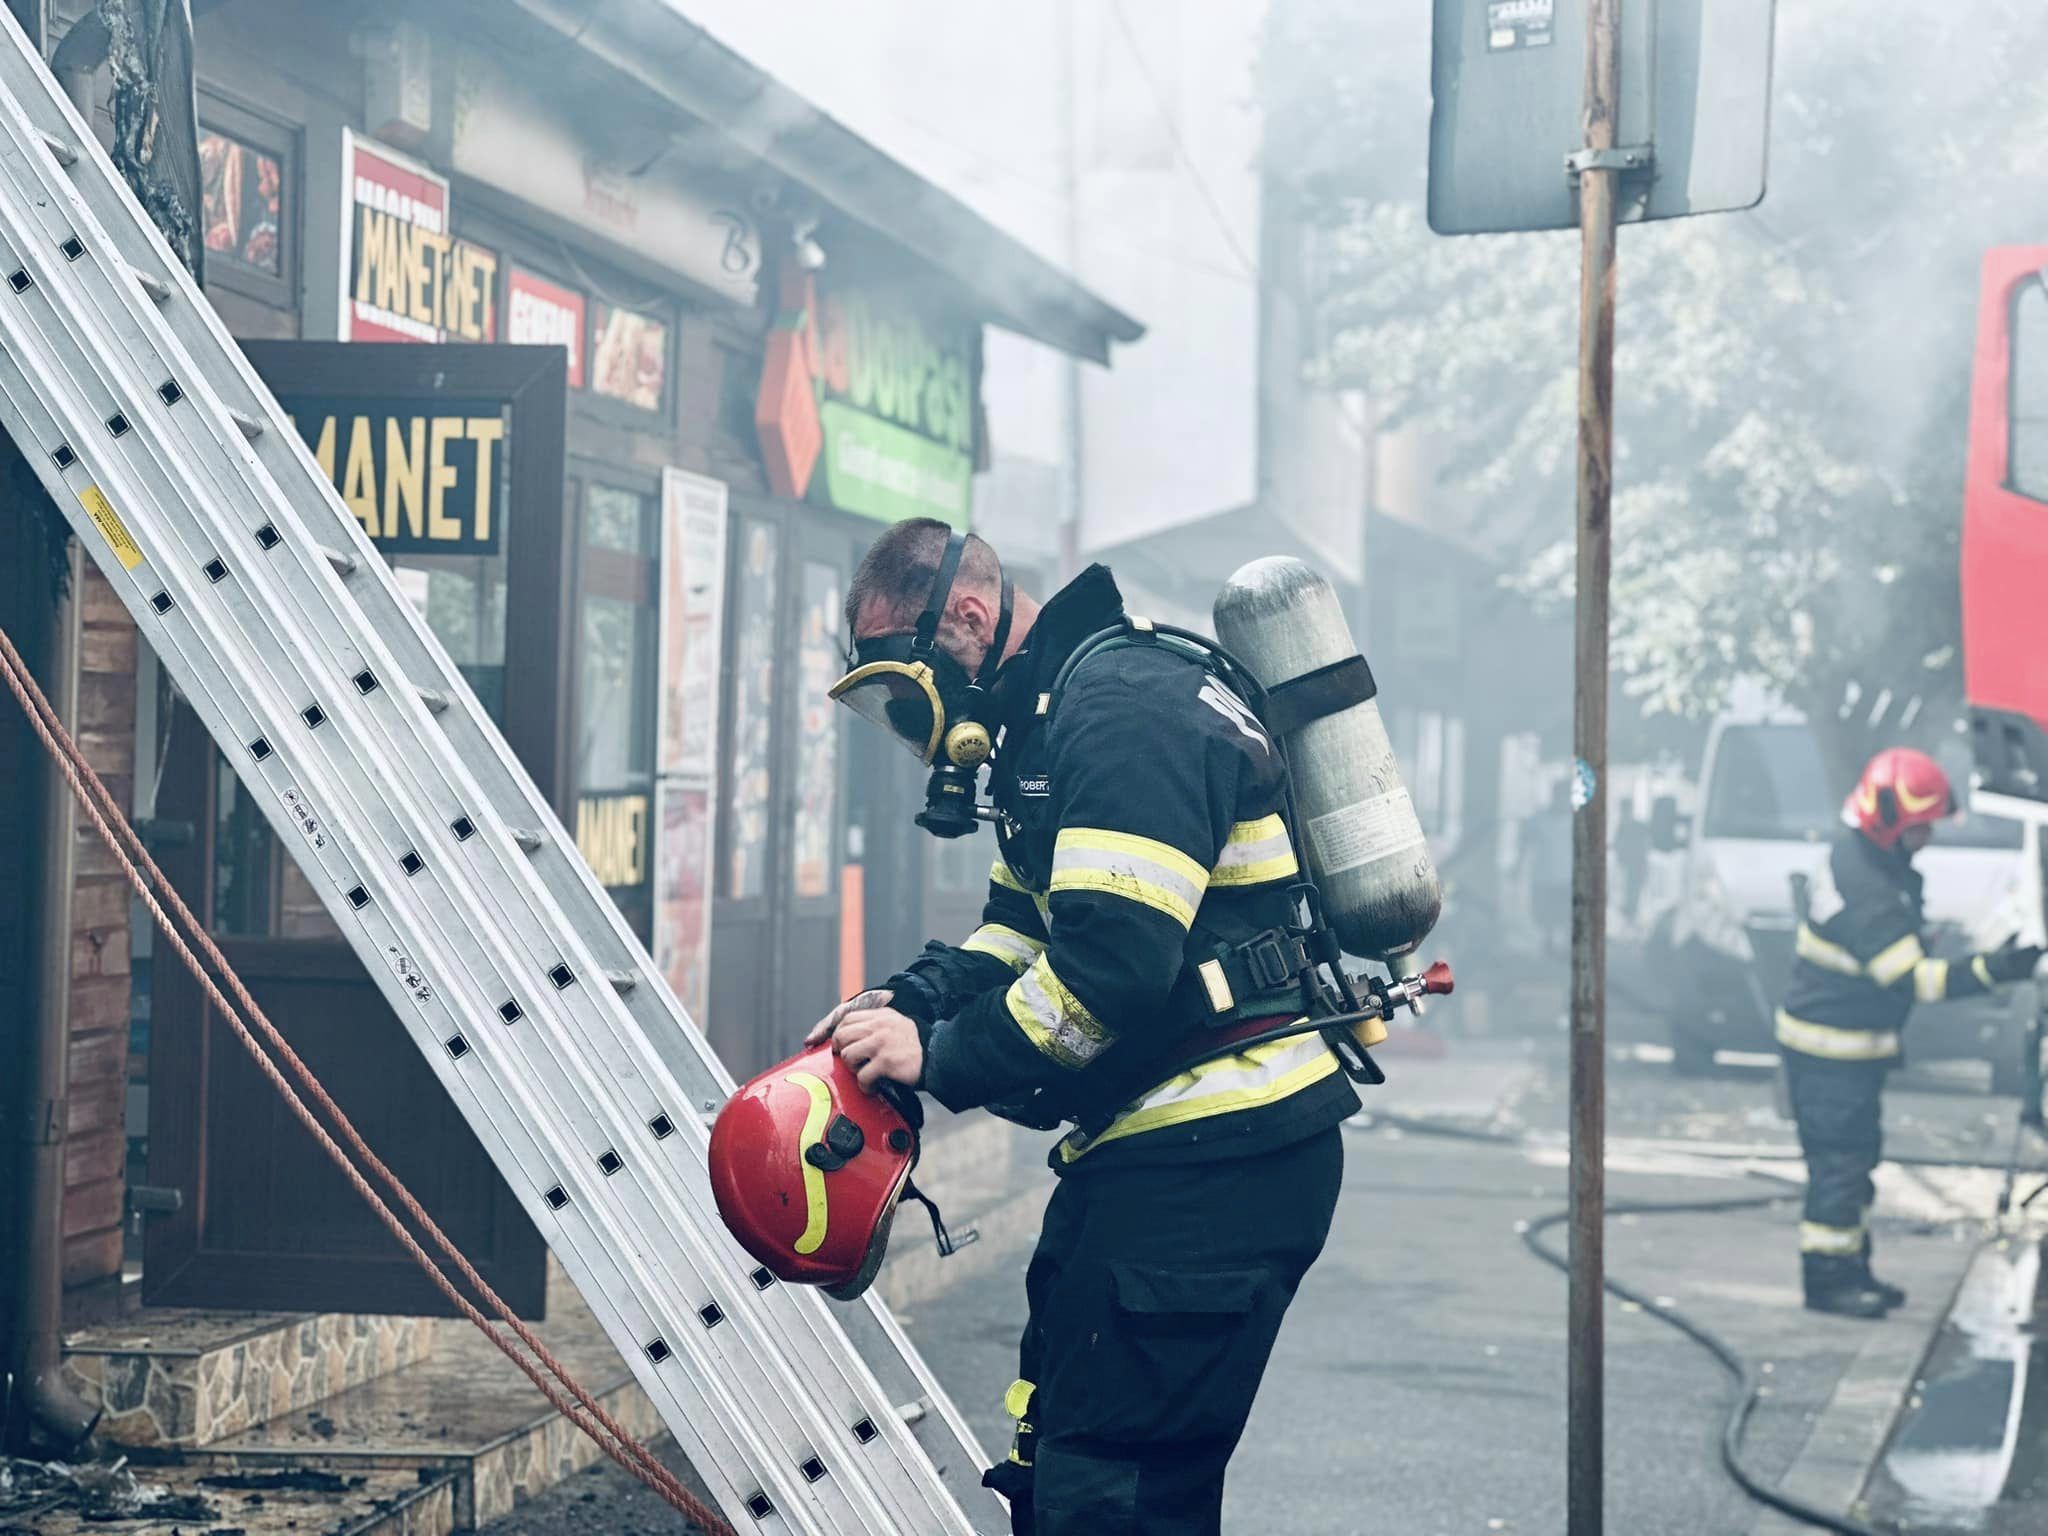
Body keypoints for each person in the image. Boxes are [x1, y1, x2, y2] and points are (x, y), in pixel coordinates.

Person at [811, 519, 1359, 1534]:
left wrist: (938, 1057)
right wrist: (906, 1003)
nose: (907, 725)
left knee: (1112, 1494)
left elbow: (1106, 975)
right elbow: (1018, 933)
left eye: (900, 691)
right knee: (1072, 1463)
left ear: (967, 621)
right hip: (1165, 1159)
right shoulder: (1053, 724)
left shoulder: (1117, 716)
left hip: (1211, 1164)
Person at [1776, 746, 2041, 1318]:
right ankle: (1829, 1283)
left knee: (1854, 1164)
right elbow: (1913, 980)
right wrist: (1996, 969)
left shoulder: (1866, 862)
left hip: (1848, 1051)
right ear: (1890, 824)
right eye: (1922, 828)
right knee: (1840, 1170)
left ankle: (1852, 1268)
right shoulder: (1866, 885)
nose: (1930, 838)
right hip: (1831, 1055)